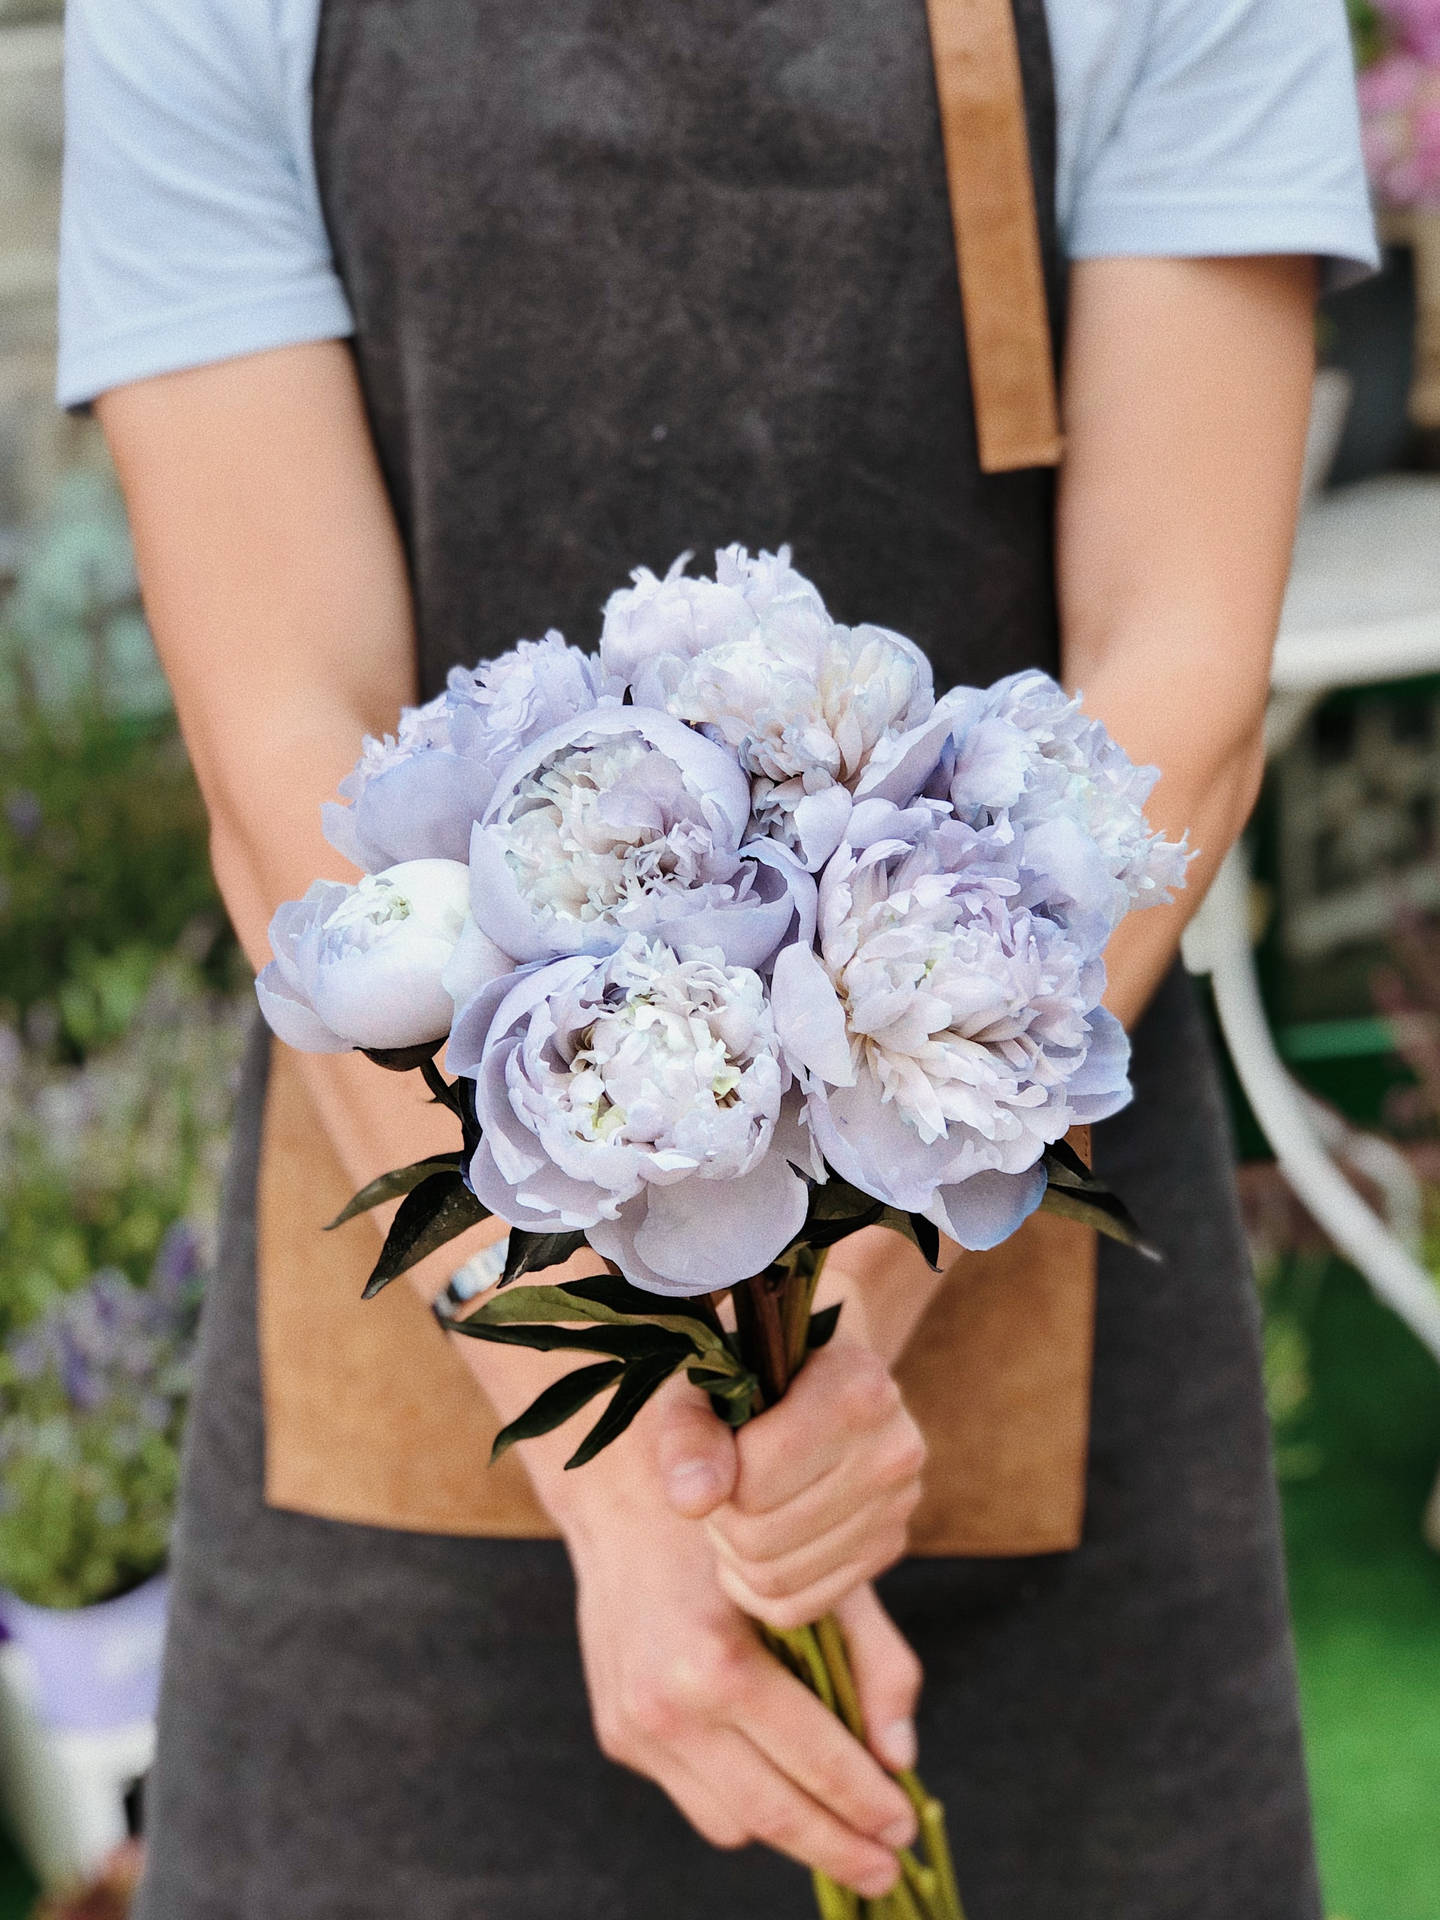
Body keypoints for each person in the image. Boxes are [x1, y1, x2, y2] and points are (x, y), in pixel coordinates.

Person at [58, 1, 1377, 1915]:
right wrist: (636, 1460)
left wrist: (820, 1335)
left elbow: (1181, 673)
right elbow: (284, 774)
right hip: (429, 1294)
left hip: (1000, 1248)